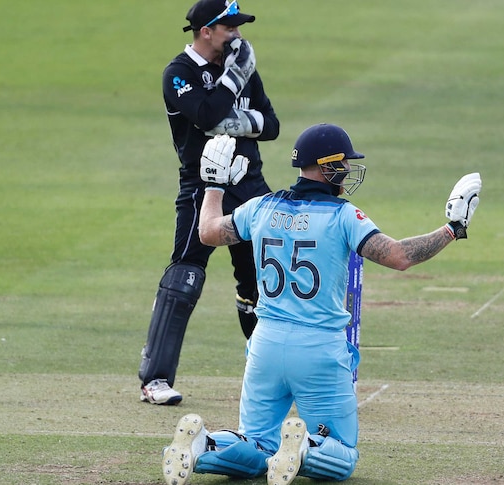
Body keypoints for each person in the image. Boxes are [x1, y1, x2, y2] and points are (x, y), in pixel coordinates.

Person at [161, 124, 481, 484]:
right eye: (343, 163)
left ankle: (205, 445)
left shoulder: (261, 207)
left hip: (264, 345)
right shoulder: (344, 215)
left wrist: (214, 186)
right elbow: (399, 256)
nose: (347, 170)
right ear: (326, 166)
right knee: (342, 454)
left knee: (256, 443)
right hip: (318, 349)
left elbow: (207, 232)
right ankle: (305, 449)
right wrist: (453, 228)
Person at [138, 0, 281, 405]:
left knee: (259, 279)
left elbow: (270, 124)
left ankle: (267, 372)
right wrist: (234, 80)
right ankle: (155, 379)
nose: (237, 35)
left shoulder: (240, 68)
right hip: (204, 184)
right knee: (186, 275)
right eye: (229, 27)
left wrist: (236, 119)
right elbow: (204, 114)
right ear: (206, 31)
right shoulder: (179, 74)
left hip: (250, 183)